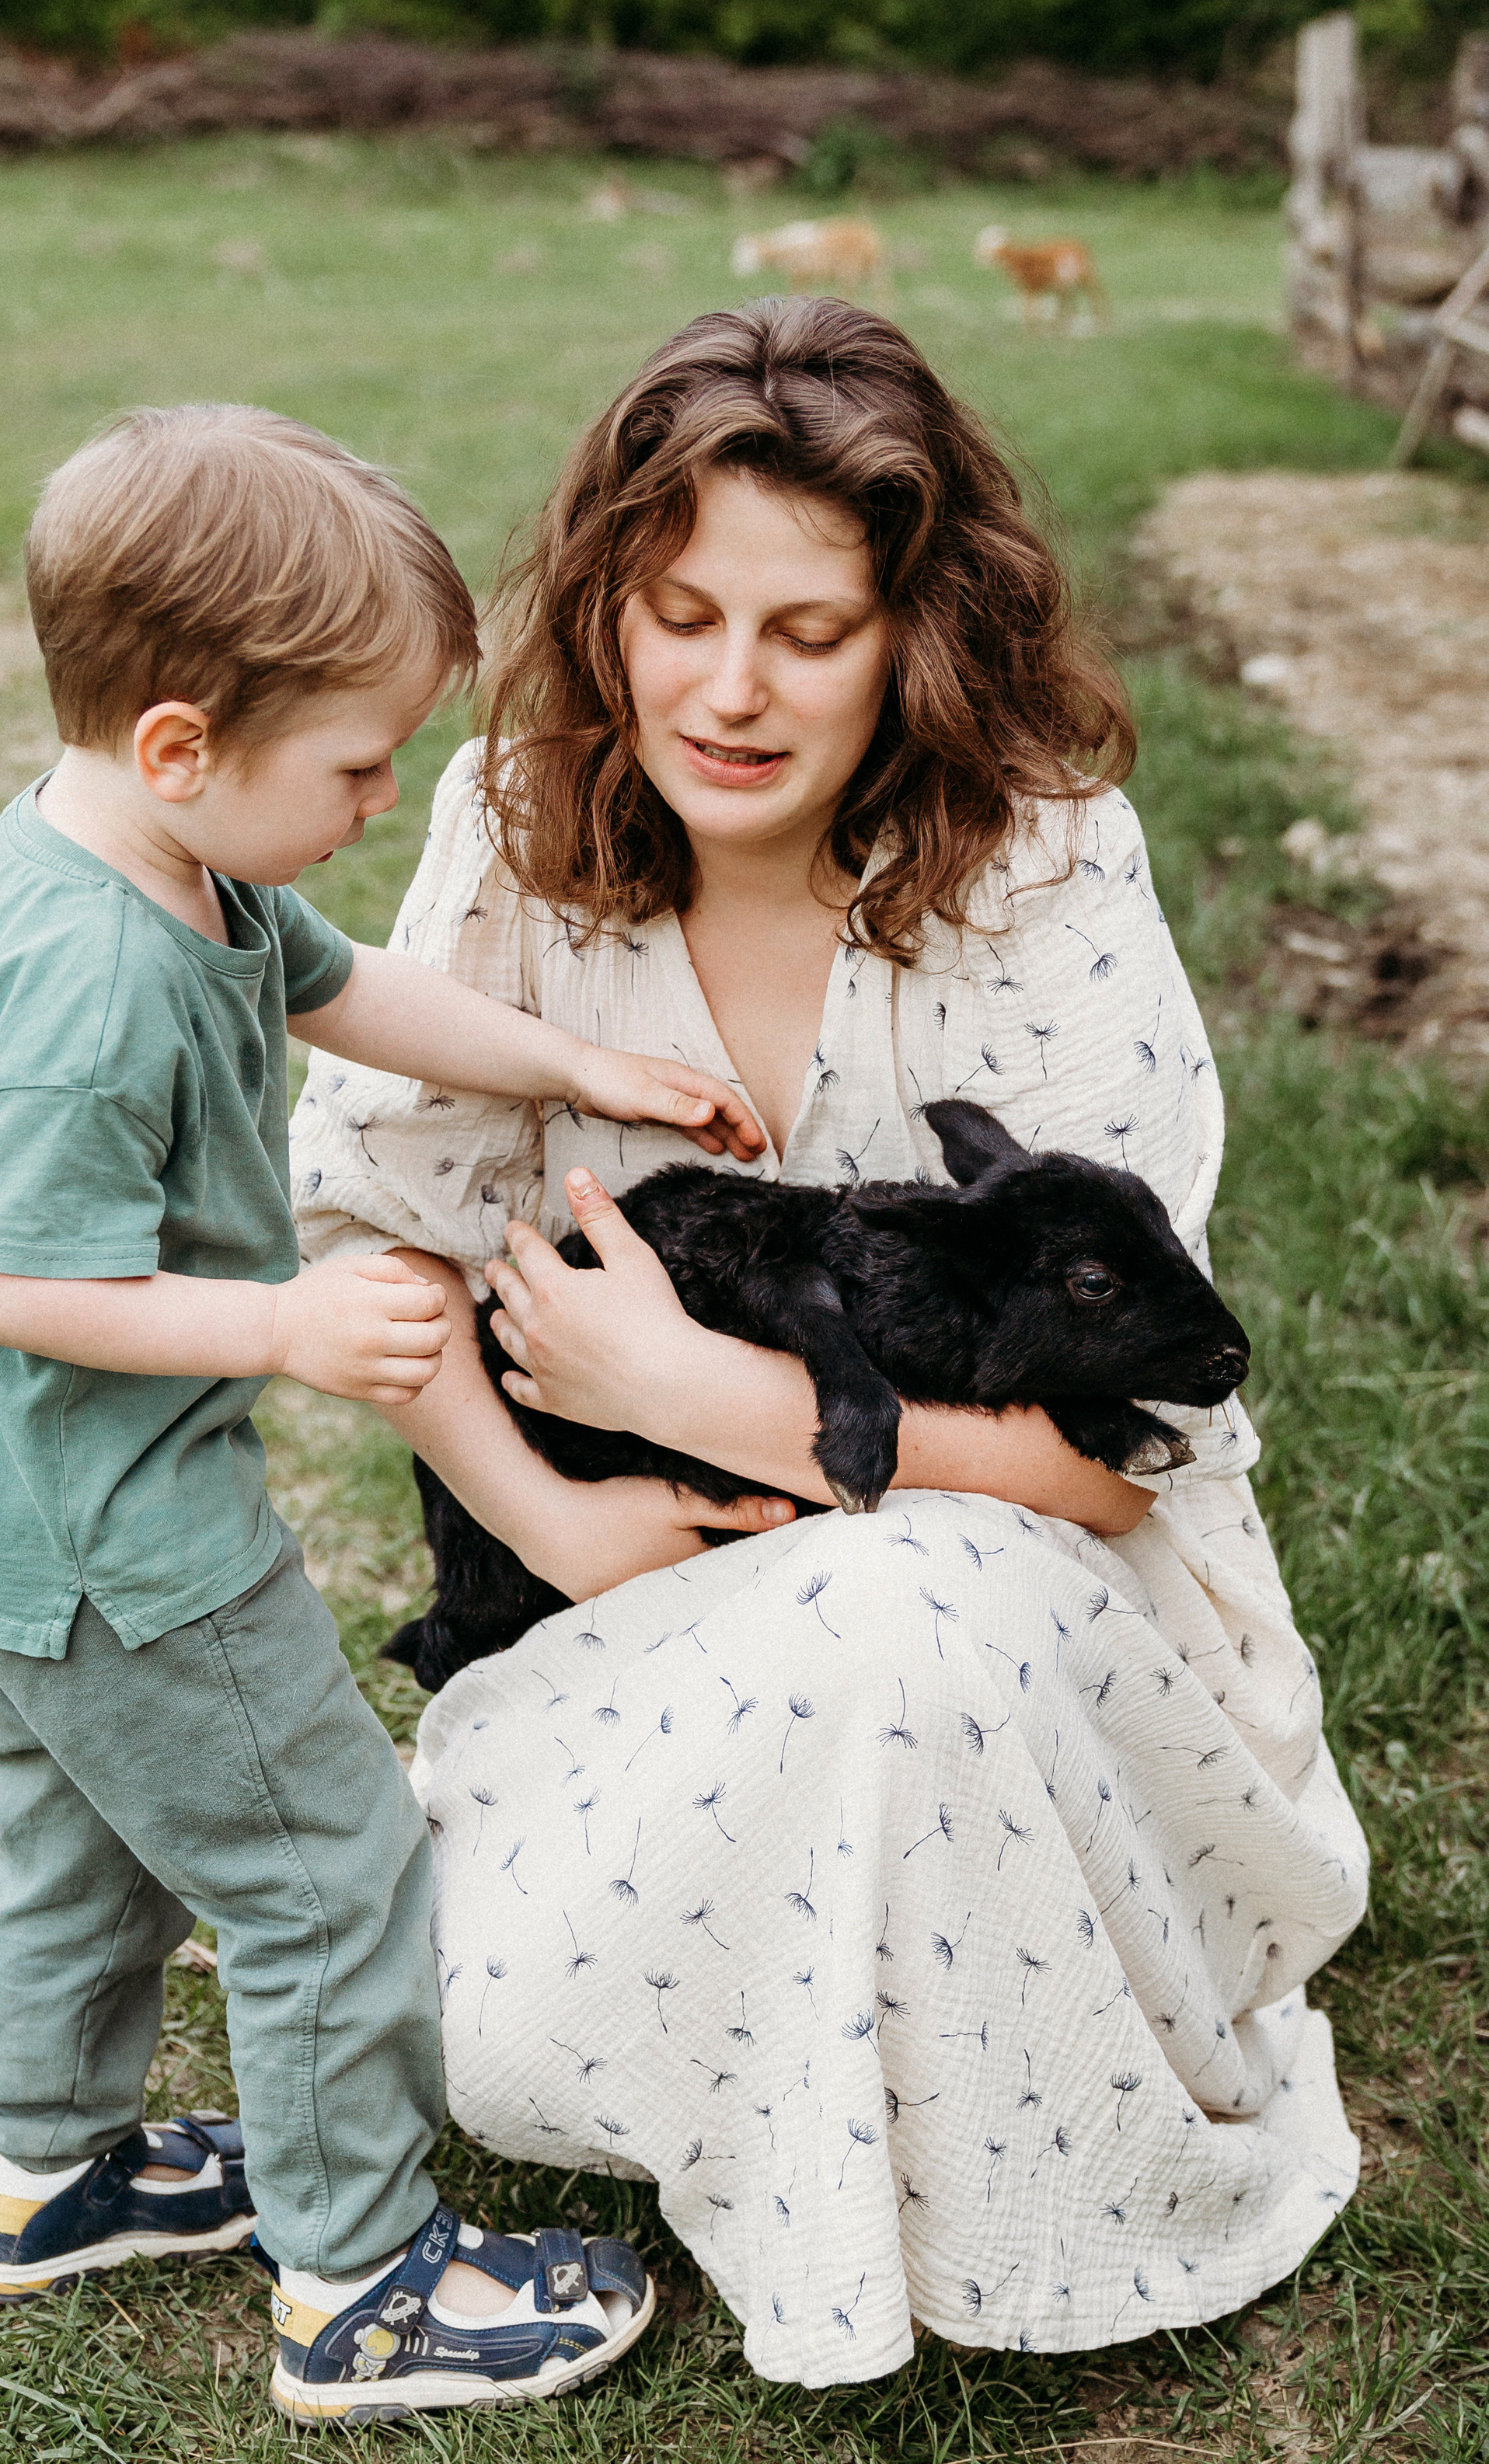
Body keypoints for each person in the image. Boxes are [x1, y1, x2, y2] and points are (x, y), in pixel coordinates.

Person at [291, 301, 1370, 2389]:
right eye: (677, 612)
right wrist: (560, 1515)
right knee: (495, 2033)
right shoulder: (514, 826)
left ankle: (1009, 2187)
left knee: (896, 1604)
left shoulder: (1040, 871)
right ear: (607, 605)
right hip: (631, 1605)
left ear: (913, 635)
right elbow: (382, 1237)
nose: (726, 685)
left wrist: (709, 1401)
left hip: (1031, 1605)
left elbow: (1107, 1454)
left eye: (807, 627)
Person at [0, 403, 783, 2423]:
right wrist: (278, 1325)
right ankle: (361, 2282)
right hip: (121, 1547)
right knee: (324, 1868)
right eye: (357, 763)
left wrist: (578, 1064)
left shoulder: (169, 862)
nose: (382, 796)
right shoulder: (95, 982)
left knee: (94, 1846)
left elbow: (348, 983)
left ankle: (47, 2170)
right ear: (185, 741)